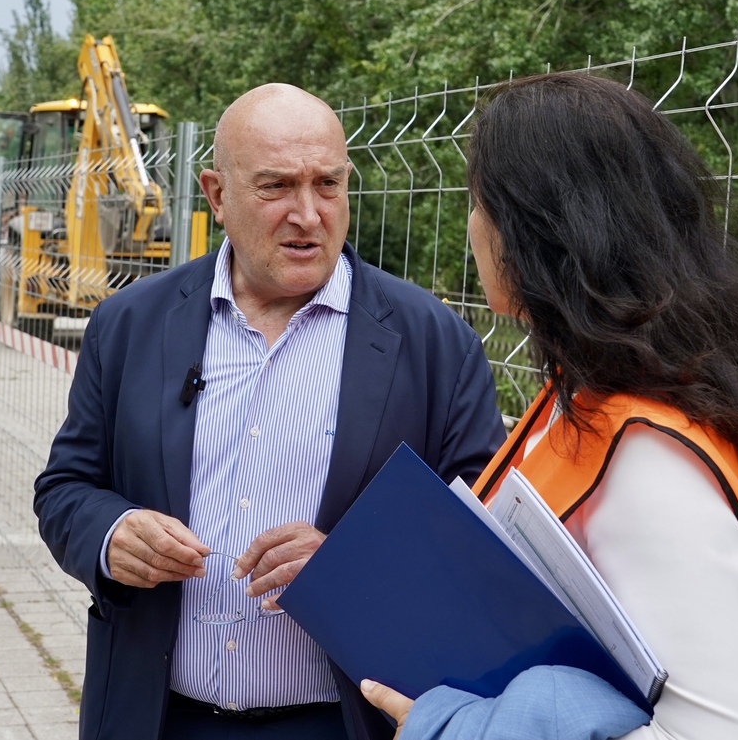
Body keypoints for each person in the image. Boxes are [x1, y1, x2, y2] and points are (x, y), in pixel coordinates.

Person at [33, 83, 507, 740]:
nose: (308, 214)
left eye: (328, 184)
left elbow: (483, 548)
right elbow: (64, 489)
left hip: (346, 722)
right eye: (277, 185)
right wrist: (114, 534)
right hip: (157, 715)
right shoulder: (129, 325)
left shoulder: (432, 344)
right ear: (217, 194)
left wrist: (349, 569)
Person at [360, 74, 738, 740]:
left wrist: (454, 730)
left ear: (537, 232)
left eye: (480, 202)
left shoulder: (650, 463)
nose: (472, 225)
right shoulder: (579, 404)